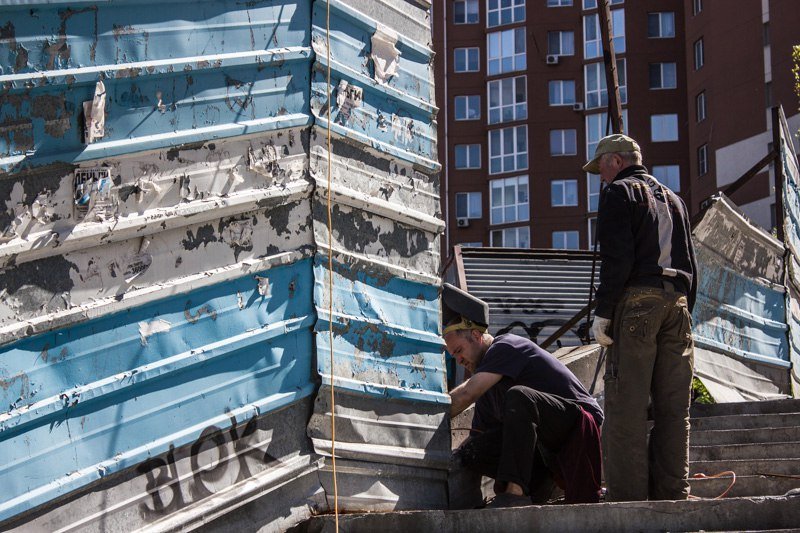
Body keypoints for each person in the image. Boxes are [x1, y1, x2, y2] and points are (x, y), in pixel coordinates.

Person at [585, 134, 697, 502]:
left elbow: (618, 260)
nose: (599, 176)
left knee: (626, 409)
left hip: (637, 304)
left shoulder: (619, 193)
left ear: (616, 161)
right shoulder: (675, 200)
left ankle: (628, 502)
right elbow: (692, 267)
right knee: (673, 410)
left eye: (600, 167)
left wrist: (604, 314)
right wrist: (681, 312)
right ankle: (673, 495)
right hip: (677, 306)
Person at [443, 283, 603, 508]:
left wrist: (427, 416)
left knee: (519, 397)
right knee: (473, 450)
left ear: (477, 336)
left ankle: (515, 494)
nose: (458, 360)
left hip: (577, 424)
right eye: (453, 356)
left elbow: (467, 393)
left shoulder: (505, 346)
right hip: (544, 446)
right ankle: (536, 488)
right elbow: (478, 436)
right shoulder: (487, 389)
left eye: (458, 351)